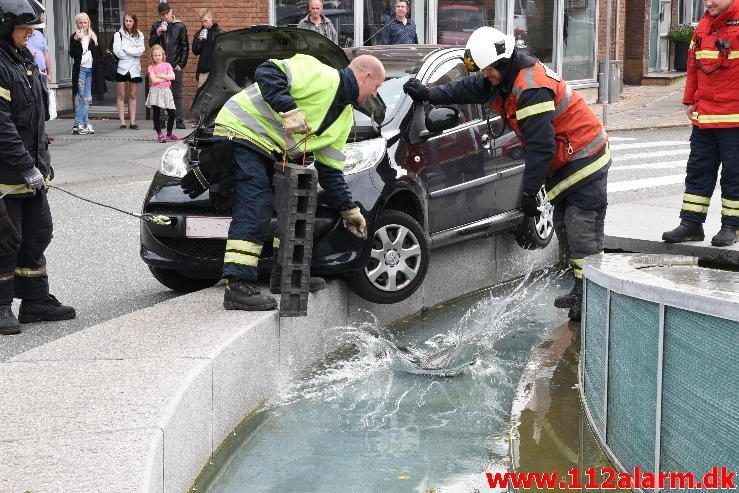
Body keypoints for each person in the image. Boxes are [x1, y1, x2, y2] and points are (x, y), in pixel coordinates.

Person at [403, 26, 610, 321]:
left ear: (500, 63)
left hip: (584, 159)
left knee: (581, 231)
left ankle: (593, 302)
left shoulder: (531, 90)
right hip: (568, 161)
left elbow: (540, 148)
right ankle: (582, 293)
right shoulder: (503, 75)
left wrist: (528, 194)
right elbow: (469, 87)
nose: (485, 75)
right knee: (566, 227)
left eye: (488, 70)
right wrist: (429, 94)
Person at [181, 54, 384, 311]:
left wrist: (348, 209)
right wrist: (288, 108)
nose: (374, 95)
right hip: (242, 131)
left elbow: (330, 170)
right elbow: (267, 71)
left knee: (288, 208)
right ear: (365, 76)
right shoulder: (321, 73)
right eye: (376, 87)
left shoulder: (343, 118)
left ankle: (284, 276)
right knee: (256, 205)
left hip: (266, 146)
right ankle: (237, 285)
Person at [0, 0, 76, 335]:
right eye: (24, 29)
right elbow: (2, 126)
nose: (30, 35)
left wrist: (41, 164)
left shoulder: (24, 59)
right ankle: (1, 307)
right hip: (5, 177)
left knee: (37, 234)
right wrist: (25, 166)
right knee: (5, 242)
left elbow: (33, 119)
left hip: (30, 171)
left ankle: (35, 301)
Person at [662, 0, 739, 247]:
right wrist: (689, 100)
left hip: (734, 118)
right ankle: (691, 224)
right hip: (705, 116)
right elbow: (693, 66)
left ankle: (732, 226)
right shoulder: (704, 25)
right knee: (698, 171)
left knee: (734, 175)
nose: (709, 2)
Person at [149, 2, 188, 129]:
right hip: (160, 65)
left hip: (174, 65)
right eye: (162, 15)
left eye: (166, 13)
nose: (165, 16)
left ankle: (179, 120)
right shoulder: (156, 26)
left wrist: (181, 64)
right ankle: (161, 120)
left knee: (176, 94)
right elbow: (151, 45)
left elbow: (185, 46)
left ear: (171, 11)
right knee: (160, 93)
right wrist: (158, 34)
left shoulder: (180, 26)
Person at [69, 12, 105, 135]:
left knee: (86, 98)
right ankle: (78, 124)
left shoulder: (93, 36)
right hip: (81, 71)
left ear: (88, 23)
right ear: (77, 24)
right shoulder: (74, 37)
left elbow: (99, 54)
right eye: (80, 22)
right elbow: (72, 54)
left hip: (91, 71)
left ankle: (84, 124)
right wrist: (77, 41)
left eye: (85, 22)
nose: (83, 25)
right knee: (82, 98)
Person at [113, 12, 144, 129]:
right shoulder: (118, 34)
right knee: (121, 95)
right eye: (126, 21)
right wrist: (132, 52)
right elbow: (117, 52)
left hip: (134, 69)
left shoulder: (139, 35)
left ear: (134, 22)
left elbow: (141, 51)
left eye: (130, 21)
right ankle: (122, 122)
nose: (128, 23)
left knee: (133, 95)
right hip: (122, 68)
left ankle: (133, 122)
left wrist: (126, 49)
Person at [145, 44, 180, 143]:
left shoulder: (167, 65)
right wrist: (166, 77)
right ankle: (159, 134)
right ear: (152, 56)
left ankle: (169, 133)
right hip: (156, 92)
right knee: (157, 114)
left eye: (159, 55)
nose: (157, 57)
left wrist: (161, 76)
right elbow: (153, 80)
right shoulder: (151, 67)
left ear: (163, 55)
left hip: (166, 91)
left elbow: (173, 77)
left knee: (172, 113)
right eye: (155, 55)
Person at [192, 8, 223, 89]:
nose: (204, 24)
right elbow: (195, 51)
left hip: (216, 71)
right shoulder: (199, 33)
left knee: (217, 95)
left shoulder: (219, 33)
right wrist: (199, 41)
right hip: (204, 72)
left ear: (211, 18)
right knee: (202, 96)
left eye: (206, 21)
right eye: (202, 22)